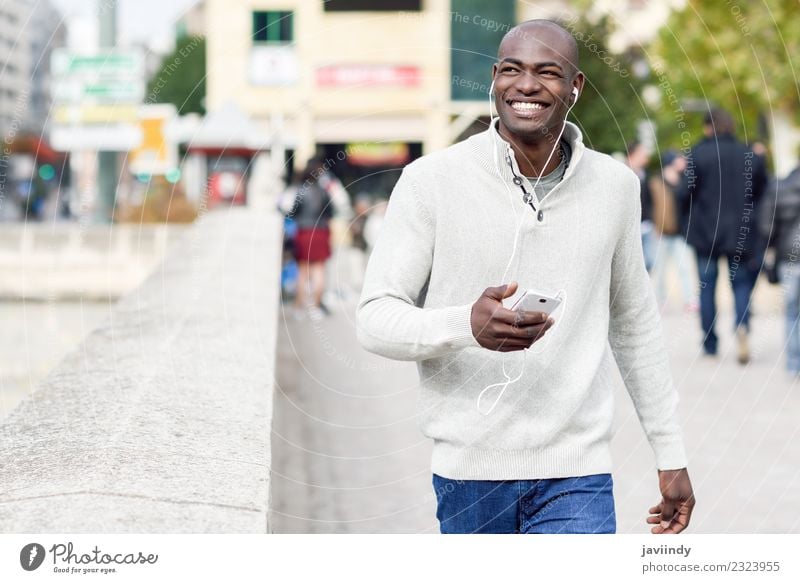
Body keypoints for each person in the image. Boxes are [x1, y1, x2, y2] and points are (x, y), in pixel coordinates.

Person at [356, 19, 694, 535]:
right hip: (468, 473)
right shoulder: (431, 181)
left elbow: (634, 325)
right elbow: (374, 319)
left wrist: (669, 453)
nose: (527, 85)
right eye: (512, 70)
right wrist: (464, 325)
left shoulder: (615, 187)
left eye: (548, 72)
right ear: (494, 79)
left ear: (575, 86)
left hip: (576, 471)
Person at [678, 109, 768, 363]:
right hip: (740, 233)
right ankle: (742, 325)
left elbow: (683, 194)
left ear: (708, 128)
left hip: (705, 233)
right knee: (740, 284)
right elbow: (762, 190)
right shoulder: (749, 155)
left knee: (707, 288)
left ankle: (710, 343)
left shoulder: (698, 154)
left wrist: (688, 224)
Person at [758, 159, 800, 374]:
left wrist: (772, 246)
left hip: (789, 259)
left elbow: (766, 228)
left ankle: (794, 365)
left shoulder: (779, 188)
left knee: (792, 312)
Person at [280, 159, 335, 318]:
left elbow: (291, 212)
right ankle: (316, 308)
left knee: (303, 271)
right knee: (319, 270)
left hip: (304, 232)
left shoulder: (299, 191)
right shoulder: (325, 191)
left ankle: (299, 308)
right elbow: (331, 212)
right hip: (322, 232)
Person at [649, 151, 697, 311]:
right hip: (660, 233)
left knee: (684, 267)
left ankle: (690, 300)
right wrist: (652, 225)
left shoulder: (684, 181)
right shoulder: (655, 182)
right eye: (679, 159)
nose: (683, 162)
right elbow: (648, 205)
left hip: (680, 233)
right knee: (660, 269)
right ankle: (661, 299)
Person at [626, 140, 656, 272]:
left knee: (649, 262)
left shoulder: (645, 174)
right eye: (642, 153)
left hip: (646, 224)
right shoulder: (623, 173)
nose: (646, 156)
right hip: (631, 227)